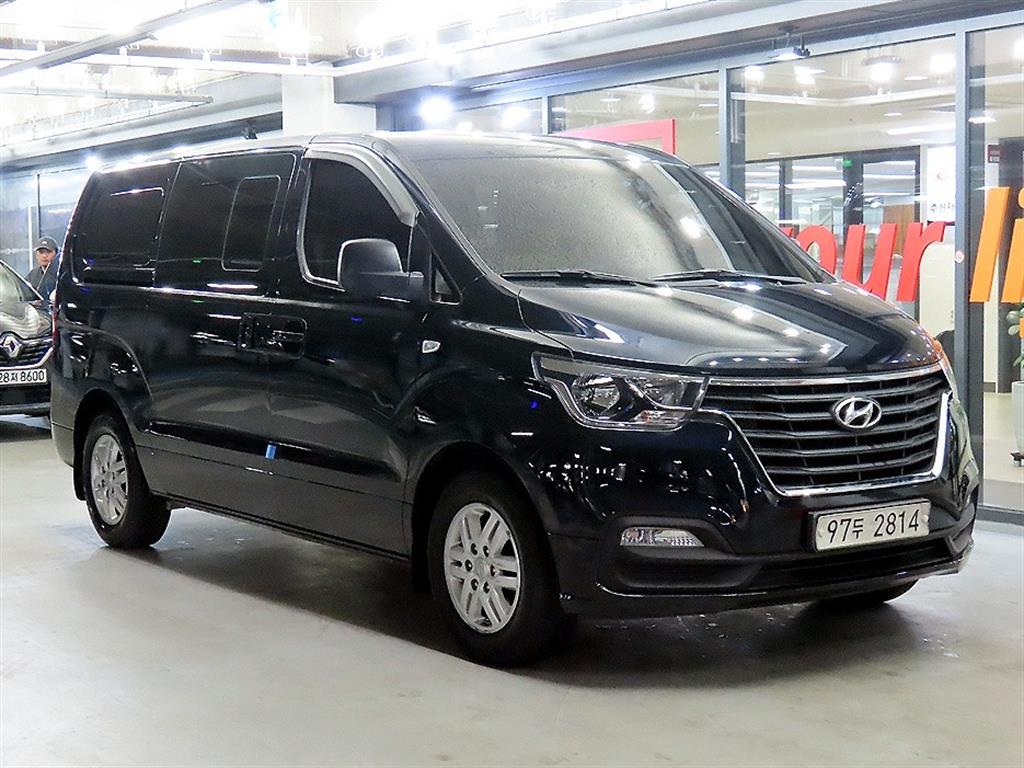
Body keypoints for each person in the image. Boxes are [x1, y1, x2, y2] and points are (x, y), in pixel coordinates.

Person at [25, 236, 59, 301]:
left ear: (56, 253)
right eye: (41, 252)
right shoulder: (32, 275)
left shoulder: (63, 274)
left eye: (48, 252)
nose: (44, 256)